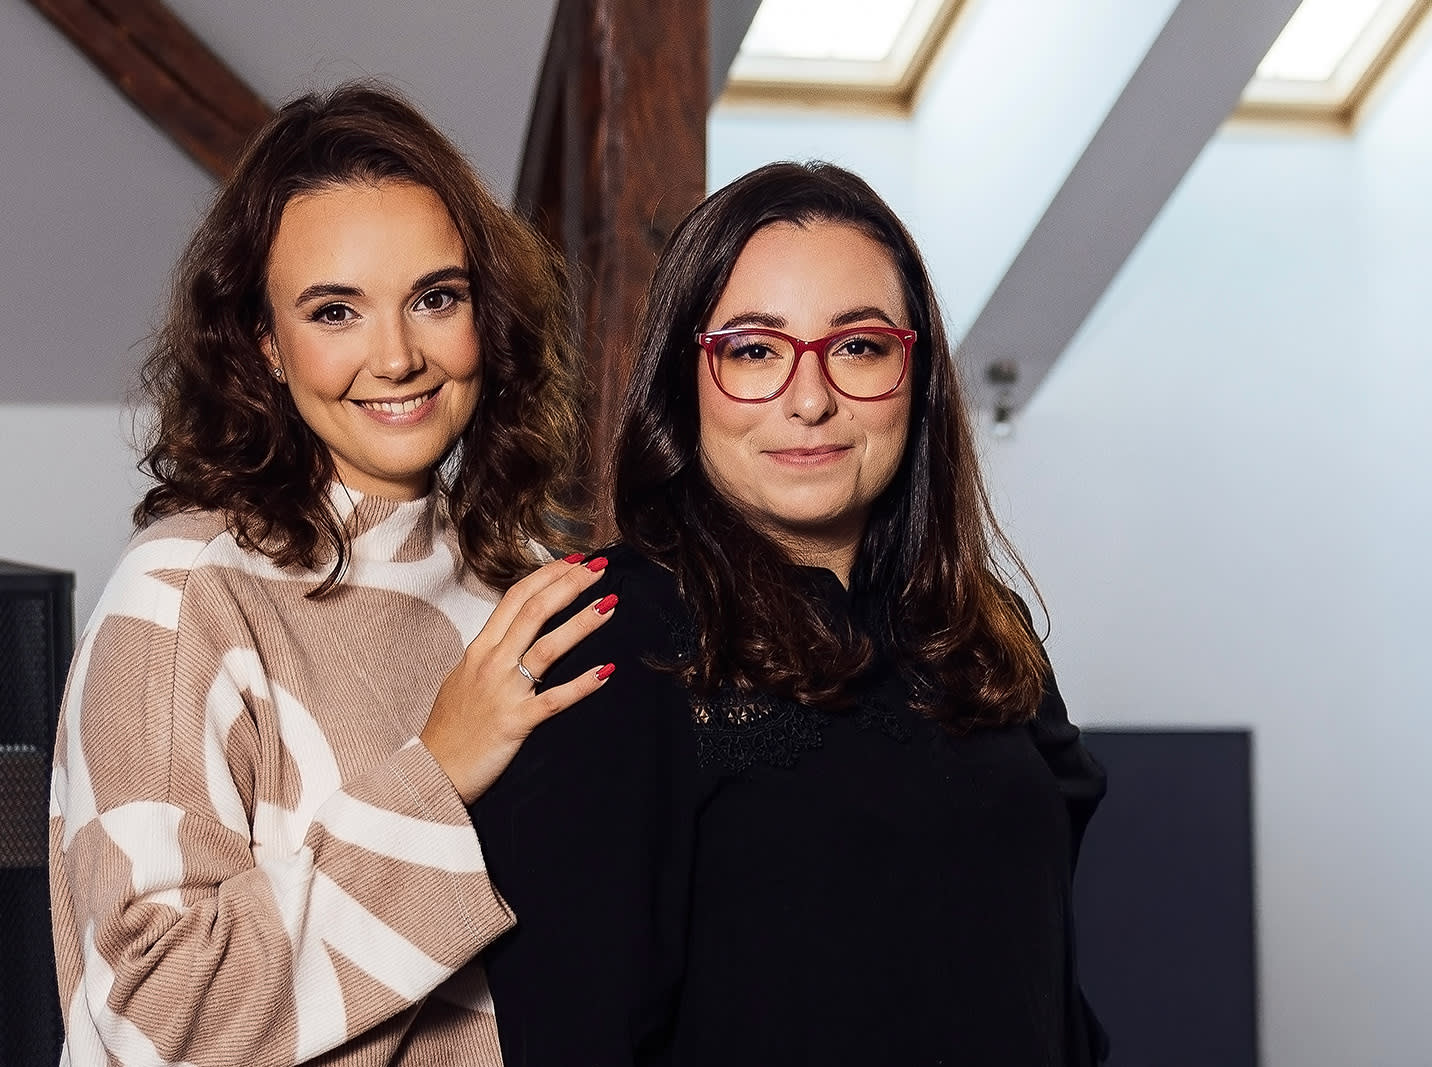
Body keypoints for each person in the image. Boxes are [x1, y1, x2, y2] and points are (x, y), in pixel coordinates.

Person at [473, 161, 1108, 1066]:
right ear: (684, 378)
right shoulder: (608, 629)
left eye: (859, 347)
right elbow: (570, 1035)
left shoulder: (982, 630)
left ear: (916, 372)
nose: (810, 400)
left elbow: (1049, 993)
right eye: (754, 351)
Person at [48, 82, 621, 1067]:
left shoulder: (524, 585)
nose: (396, 357)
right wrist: (438, 773)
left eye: (435, 299)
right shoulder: (185, 590)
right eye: (335, 311)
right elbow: (149, 1017)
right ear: (265, 343)